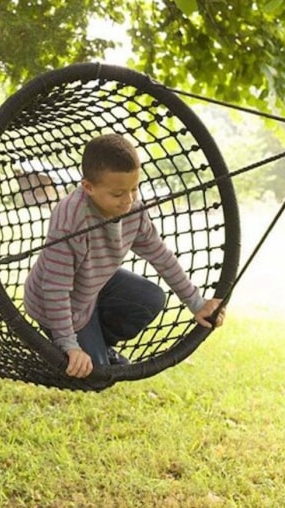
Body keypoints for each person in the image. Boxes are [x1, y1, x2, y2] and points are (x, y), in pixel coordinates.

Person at [24, 133, 226, 379]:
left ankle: (98, 342)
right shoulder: (70, 220)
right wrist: (69, 345)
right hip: (55, 302)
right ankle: (72, 345)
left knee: (151, 298)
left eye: (134, 189)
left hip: (93, 285)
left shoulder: (133, 210)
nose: (128, 200)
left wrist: (196, 302)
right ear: (88, 187)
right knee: (97, 377)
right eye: (118, 194)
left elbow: (160, 255)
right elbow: (55, 289)